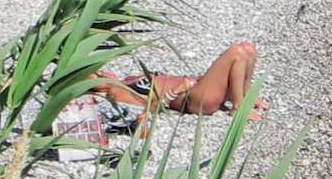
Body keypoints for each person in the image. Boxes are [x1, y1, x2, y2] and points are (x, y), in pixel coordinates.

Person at [86, 41, 262, 124]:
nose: (103, 73)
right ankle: (238, 108)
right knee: (236, 52)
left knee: (248, 49)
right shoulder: (117, 92)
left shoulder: (129, 79)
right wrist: (176, 90)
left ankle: (246, 96)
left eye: (100, 71)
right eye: (98, 77)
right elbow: (150, 109)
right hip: (193, 98)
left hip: (197, 87)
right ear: (98, 88)